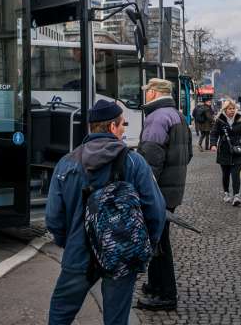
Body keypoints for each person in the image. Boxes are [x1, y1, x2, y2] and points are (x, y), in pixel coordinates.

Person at [46, 99, 166, 325]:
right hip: (121, 253)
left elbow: (53, 217)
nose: (123, 130)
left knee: (60, 313)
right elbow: (155, 211)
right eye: (122, 125)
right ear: (112, 127)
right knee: (116, 319)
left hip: (78, 254)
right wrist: (144, 245)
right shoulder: (134, 162)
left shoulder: (67, 163)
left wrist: (68, 242)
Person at [137, 78, 192, 311]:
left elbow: (150, 159)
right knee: (157, 238)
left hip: (157, 191)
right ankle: (155, 284)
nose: (145, 94)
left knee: (159, 243)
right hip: (172, 188)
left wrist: (142, 191)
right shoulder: (177, 115)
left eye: (147, 90)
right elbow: (187, 154)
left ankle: (166, 294)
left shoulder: (157, 118)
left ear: (153, 93)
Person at [210, 99, 241, 206]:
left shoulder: (240, 119)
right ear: (225, 109)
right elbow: (214, 134)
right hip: (224, 150)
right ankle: (226, 193)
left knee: (235, 175)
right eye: (229, 109)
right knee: (225, 174)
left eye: (233, 108)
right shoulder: (220, 120)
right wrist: (213, 145)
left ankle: (236, 196)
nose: (232, 110)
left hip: (237, 151)